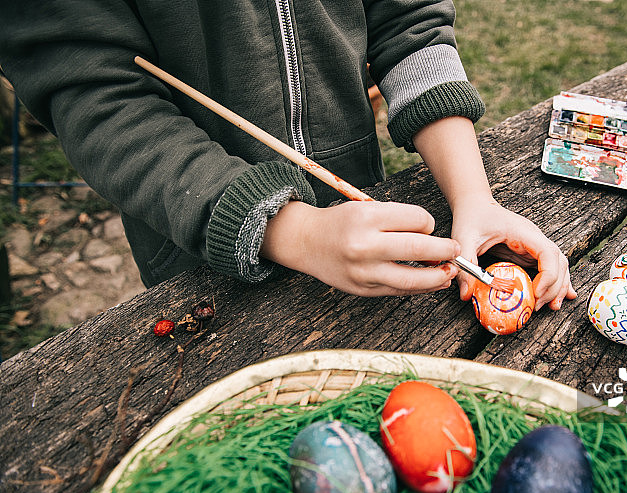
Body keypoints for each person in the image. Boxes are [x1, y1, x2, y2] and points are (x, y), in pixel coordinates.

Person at [0, 0, 575, 310]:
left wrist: (473, 195)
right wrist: (292, 231)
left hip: (367, 219)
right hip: (207, 259)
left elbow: (409, 25)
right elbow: (100, 102)